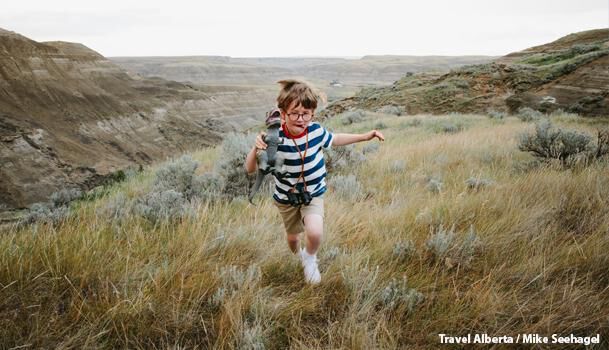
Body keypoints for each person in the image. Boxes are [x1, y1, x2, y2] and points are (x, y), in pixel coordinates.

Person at [244, 79, 385, 284]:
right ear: (283, 114)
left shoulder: (316, 131)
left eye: (306, 114)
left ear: (312, 113)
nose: (301, 119)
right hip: (286, 198)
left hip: (313, 193)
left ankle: (310, 258)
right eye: (295, 113)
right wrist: (256, 148)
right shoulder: (275, 138)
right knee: (293, 239)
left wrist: (365, 136)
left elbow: (335, 139)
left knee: (315, 232)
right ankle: (297, 256)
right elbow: (250, 169)